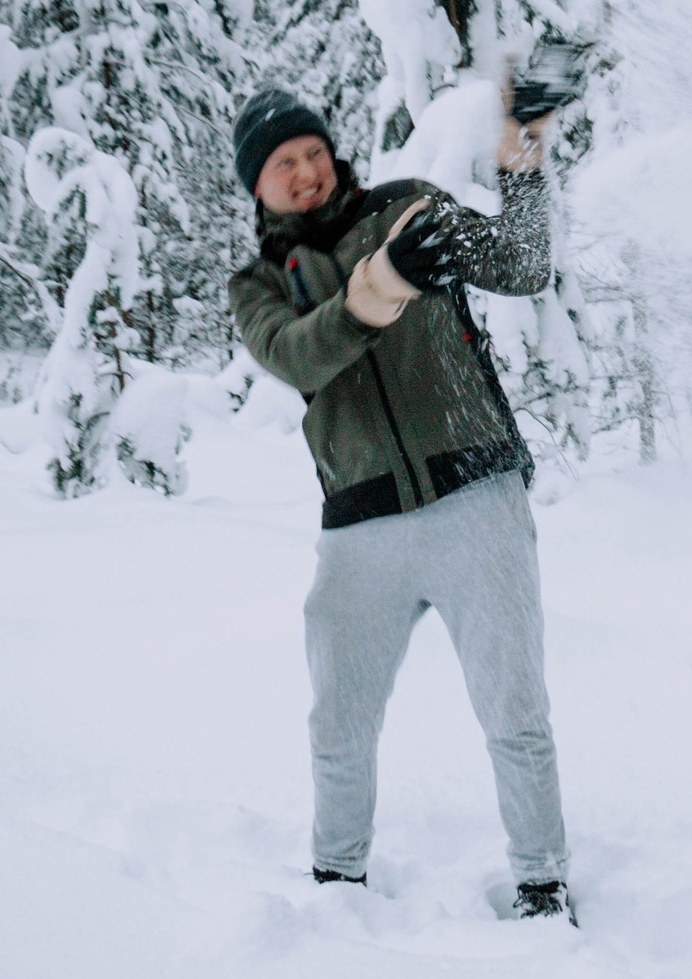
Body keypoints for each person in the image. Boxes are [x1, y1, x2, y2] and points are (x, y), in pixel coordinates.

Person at [227, 76, 578, 921]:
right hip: (361, 527)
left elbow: (524, 264)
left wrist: (523, 153)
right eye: (283, 163)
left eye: (313, 151)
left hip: (475, 495)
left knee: (514, 709)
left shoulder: (406, 210)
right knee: (339, 724)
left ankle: (543, 886)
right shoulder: (259, 284)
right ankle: (336, 885)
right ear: (257, 186)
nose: (306, 171)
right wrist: (379, 284)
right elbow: (300, 354)